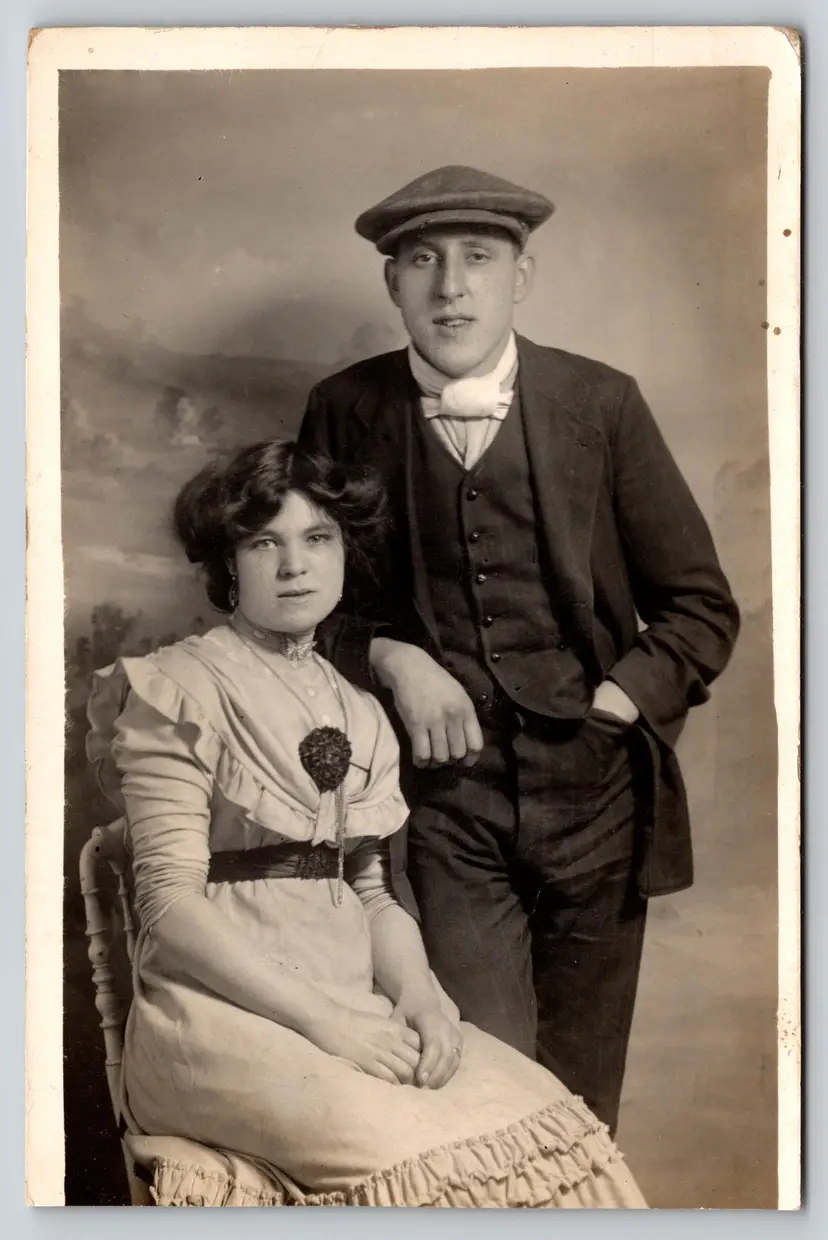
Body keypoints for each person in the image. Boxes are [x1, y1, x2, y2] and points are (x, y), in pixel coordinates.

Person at [85, 439, 647, 1209]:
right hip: (216, 1017)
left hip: (355, 1000)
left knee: (549, 1124)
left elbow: (372, 894)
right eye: (264, 543)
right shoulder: (176, 686)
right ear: (227, 565)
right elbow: (168, 902)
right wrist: (332, 1027)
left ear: (344, 549)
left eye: (317, 538)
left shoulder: (360, 712)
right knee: (426, 1167)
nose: (295, 566)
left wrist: (418, 995)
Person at [298, 165, 740, 1136]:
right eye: (423, 261)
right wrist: (388, 655)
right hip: (444, 804)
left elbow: (703, 607)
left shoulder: (603, 403)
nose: (450, 287)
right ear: (392, 285)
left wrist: (619, 702)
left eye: (478, 259)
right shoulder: (343, 411)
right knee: (481, 1095)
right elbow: (302, 609)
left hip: (596, 805)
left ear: (520, 278)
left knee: (583, 1111)